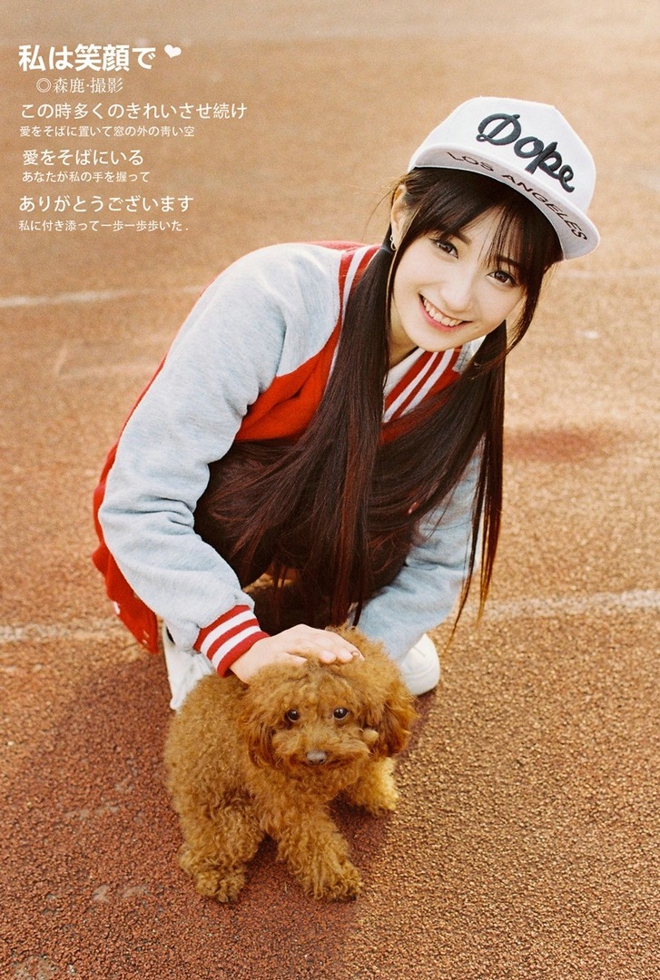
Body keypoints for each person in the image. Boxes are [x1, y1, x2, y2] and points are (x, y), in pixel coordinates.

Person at [92, 96, 599, 708]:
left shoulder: (467, 370)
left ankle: (323, 619)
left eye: (503, 274)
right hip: (214, 527)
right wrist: (238, 642)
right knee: (238, 695)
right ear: (402, 213)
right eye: (446, 245)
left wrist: (361, 651)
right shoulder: (275, 298)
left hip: (317, 534)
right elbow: (142, 499)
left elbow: (440, 559)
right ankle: (201, 621)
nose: (458, 296)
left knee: (402, 656)